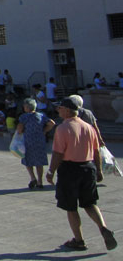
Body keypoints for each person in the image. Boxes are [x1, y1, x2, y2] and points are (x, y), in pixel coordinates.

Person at [46, 98, 117, 252]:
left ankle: (79, 240)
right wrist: (98, 170)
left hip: (70, 169)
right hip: (88, 167)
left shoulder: (63, 128)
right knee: (90, 203)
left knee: (71, 207)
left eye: (60, 109)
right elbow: (96, 151)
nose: (58, 111)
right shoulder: (88, 127)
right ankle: (103, 228)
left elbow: (58, 153)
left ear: (66, 110)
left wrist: (51, 171)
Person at [17, 98, 55, 189]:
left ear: (26, 107)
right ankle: (40, 181)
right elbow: (52, 123)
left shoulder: (24, 117)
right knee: (39, 162)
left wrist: (19, 132)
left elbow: (20, 128)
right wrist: (44, 131)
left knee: (28, 160)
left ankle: (33, 177)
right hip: (39, 141)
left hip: (28, 141)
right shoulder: (41, 115)